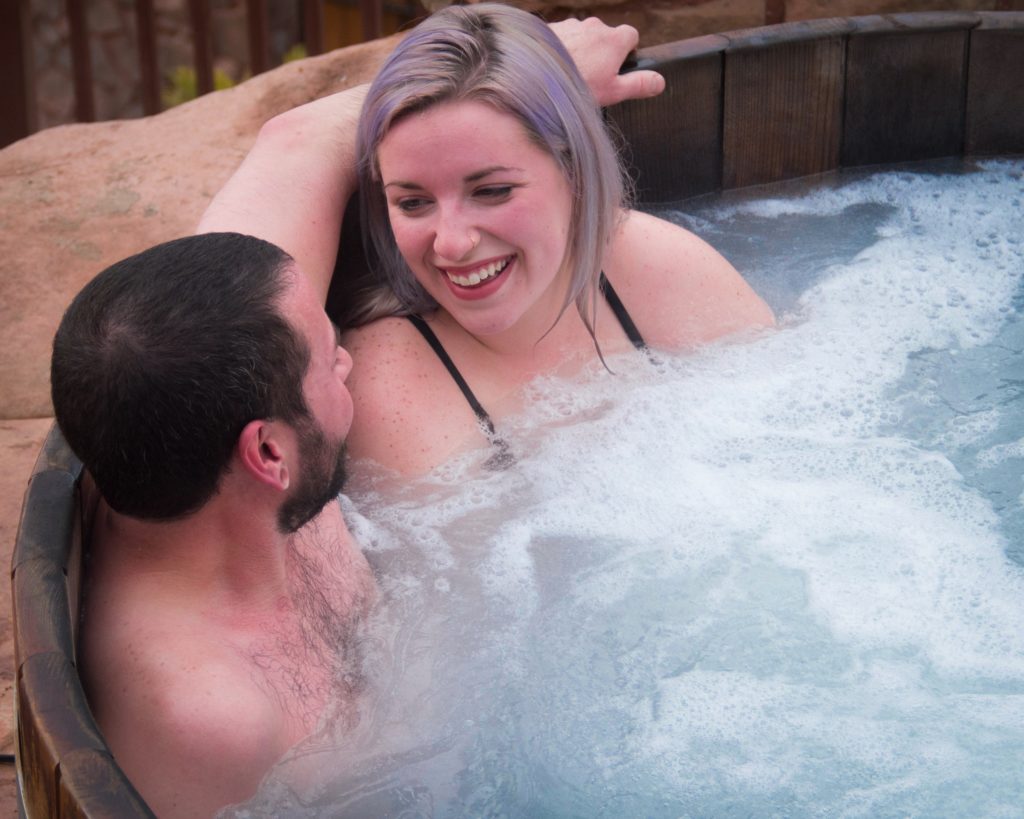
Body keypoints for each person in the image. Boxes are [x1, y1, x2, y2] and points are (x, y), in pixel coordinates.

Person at [48, 14, 664, 817]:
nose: (350, 354)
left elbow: (296, 140)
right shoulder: (208, 718)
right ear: (268, 452)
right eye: (327, 352)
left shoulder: (231, 464)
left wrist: (531, 74)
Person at [341, 3, 775, 476]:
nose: (451, 243)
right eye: (413, 202)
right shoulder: (392, 383)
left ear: (574, 171)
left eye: (491, 191)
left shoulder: (661, 267)